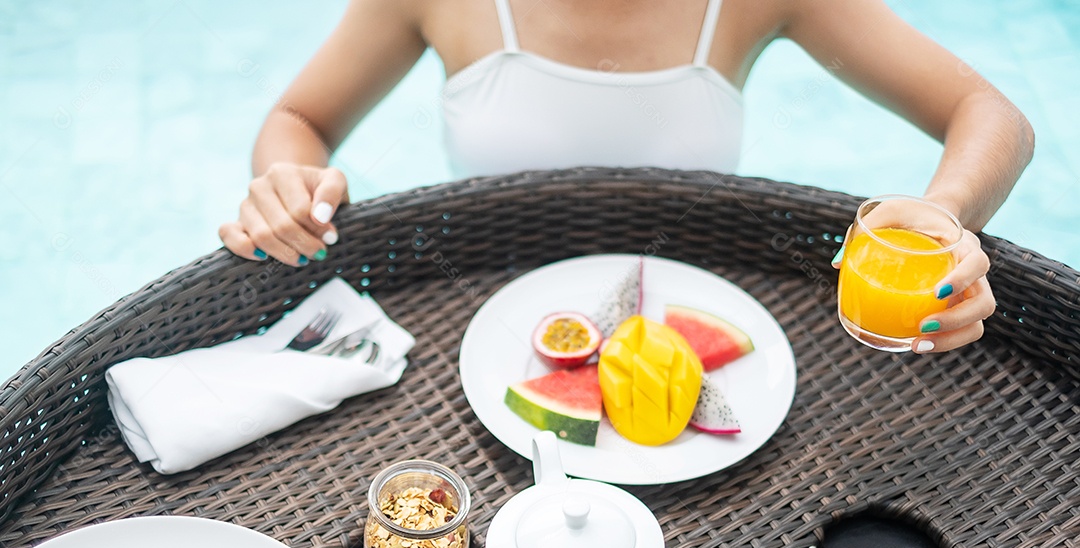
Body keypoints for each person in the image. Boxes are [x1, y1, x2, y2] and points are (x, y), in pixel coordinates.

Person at [218, 0, 1034, 354]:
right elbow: (302, 122)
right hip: (475, 330)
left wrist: (944, 216)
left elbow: (989, 113)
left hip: (687, 338)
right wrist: (288, 182)